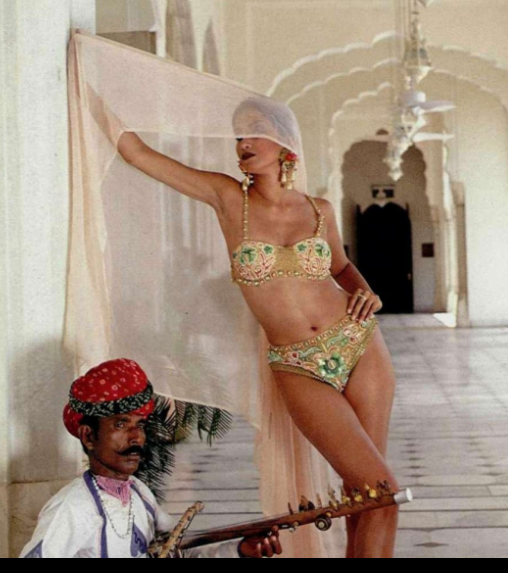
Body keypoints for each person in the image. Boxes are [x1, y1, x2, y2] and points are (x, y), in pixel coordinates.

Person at [110, 95, 401, 558]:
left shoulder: (320, 209)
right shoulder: (229, 198)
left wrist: (367, 292)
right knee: (377, 489)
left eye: (254, 131)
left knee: (369, 494)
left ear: (284, 141)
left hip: (358, 342)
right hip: (296, 363)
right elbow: (138, 153)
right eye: (237, 135)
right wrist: (93, 94)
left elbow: (342, 267)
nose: (242, 142)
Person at [19, 359, 282, 559]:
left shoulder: (140, 494)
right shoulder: (72, 507)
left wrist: (240, 550)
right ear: (89, 436)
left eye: (140, 425)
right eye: (121, 424)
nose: (136, 437)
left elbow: (177, 551)